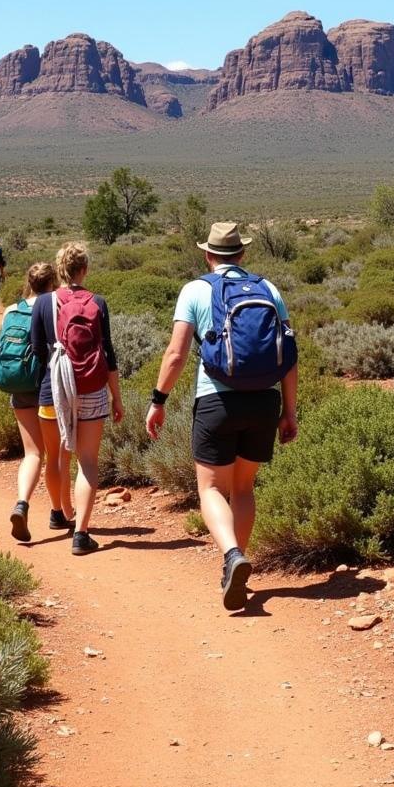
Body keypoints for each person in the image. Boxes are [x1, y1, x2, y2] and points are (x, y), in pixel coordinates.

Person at [146, 222, 298, 610]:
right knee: (244, 489)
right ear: (242, 254)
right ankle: (235, 563)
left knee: (212, 489)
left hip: (217, 402)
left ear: (207, 254)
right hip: (264, 401)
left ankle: (232, 556)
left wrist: (158, 400)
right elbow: (290, 358)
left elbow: (176, 354)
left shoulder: (195, 290)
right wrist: (289, 412)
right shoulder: (269, 289)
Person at [30, 242, 123, 555]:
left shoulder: (43, 302)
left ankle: (58, 513)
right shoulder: (98, 301)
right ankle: (81, 534)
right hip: (92, 387)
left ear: (60, 269)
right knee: (87, 461)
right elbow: (109, 354)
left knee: (55, 456)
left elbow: (37, 349)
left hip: (54, 389)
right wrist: (117, 398)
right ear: (85, 269)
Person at [0, 262, 78, 542]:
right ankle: (60, 512)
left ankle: (22, 502)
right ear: (53, 282)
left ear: (28, 282)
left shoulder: (11, 310)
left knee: (32, 454)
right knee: (58, 455)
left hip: (20, 389)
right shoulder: (53, 307)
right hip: (48, 388)